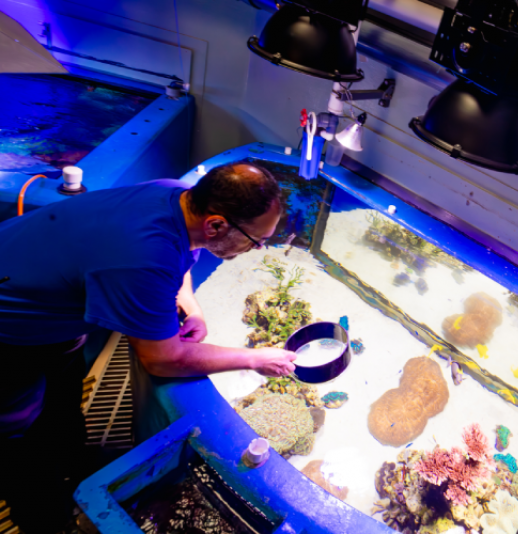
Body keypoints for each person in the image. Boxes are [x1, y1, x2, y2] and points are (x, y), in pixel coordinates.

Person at [0, 161, 297, 532]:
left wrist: (192, 306)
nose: (258, 248)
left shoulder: (175, 192)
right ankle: (41, 517)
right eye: (256, 240)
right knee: (18, 433)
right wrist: (254, 359)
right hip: (9, 331)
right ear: (217, 224)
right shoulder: (143, 257)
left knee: (62, 399)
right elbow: (163, 359)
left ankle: (72, 466)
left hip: (48, 307)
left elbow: (180, 253)